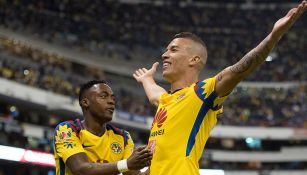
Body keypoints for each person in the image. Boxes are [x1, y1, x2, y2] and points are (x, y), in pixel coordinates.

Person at [133, 1, 306, 175]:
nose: (165, 54)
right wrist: (147, 79)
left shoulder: (202, 92)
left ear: (194, 59)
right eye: (166, 50)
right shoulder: (165, 101)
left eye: (173, 49)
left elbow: (239, 70)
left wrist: (273, 36)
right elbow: (155, 94)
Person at [53, 80, 152, 175]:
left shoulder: (123, 136)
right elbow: (80, 169)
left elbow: (134, 174)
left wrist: (159, 160)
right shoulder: (67, 129)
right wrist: (126, 164)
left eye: (113, 98)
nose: (111, 102)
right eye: (104, 96)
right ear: (85, 102)